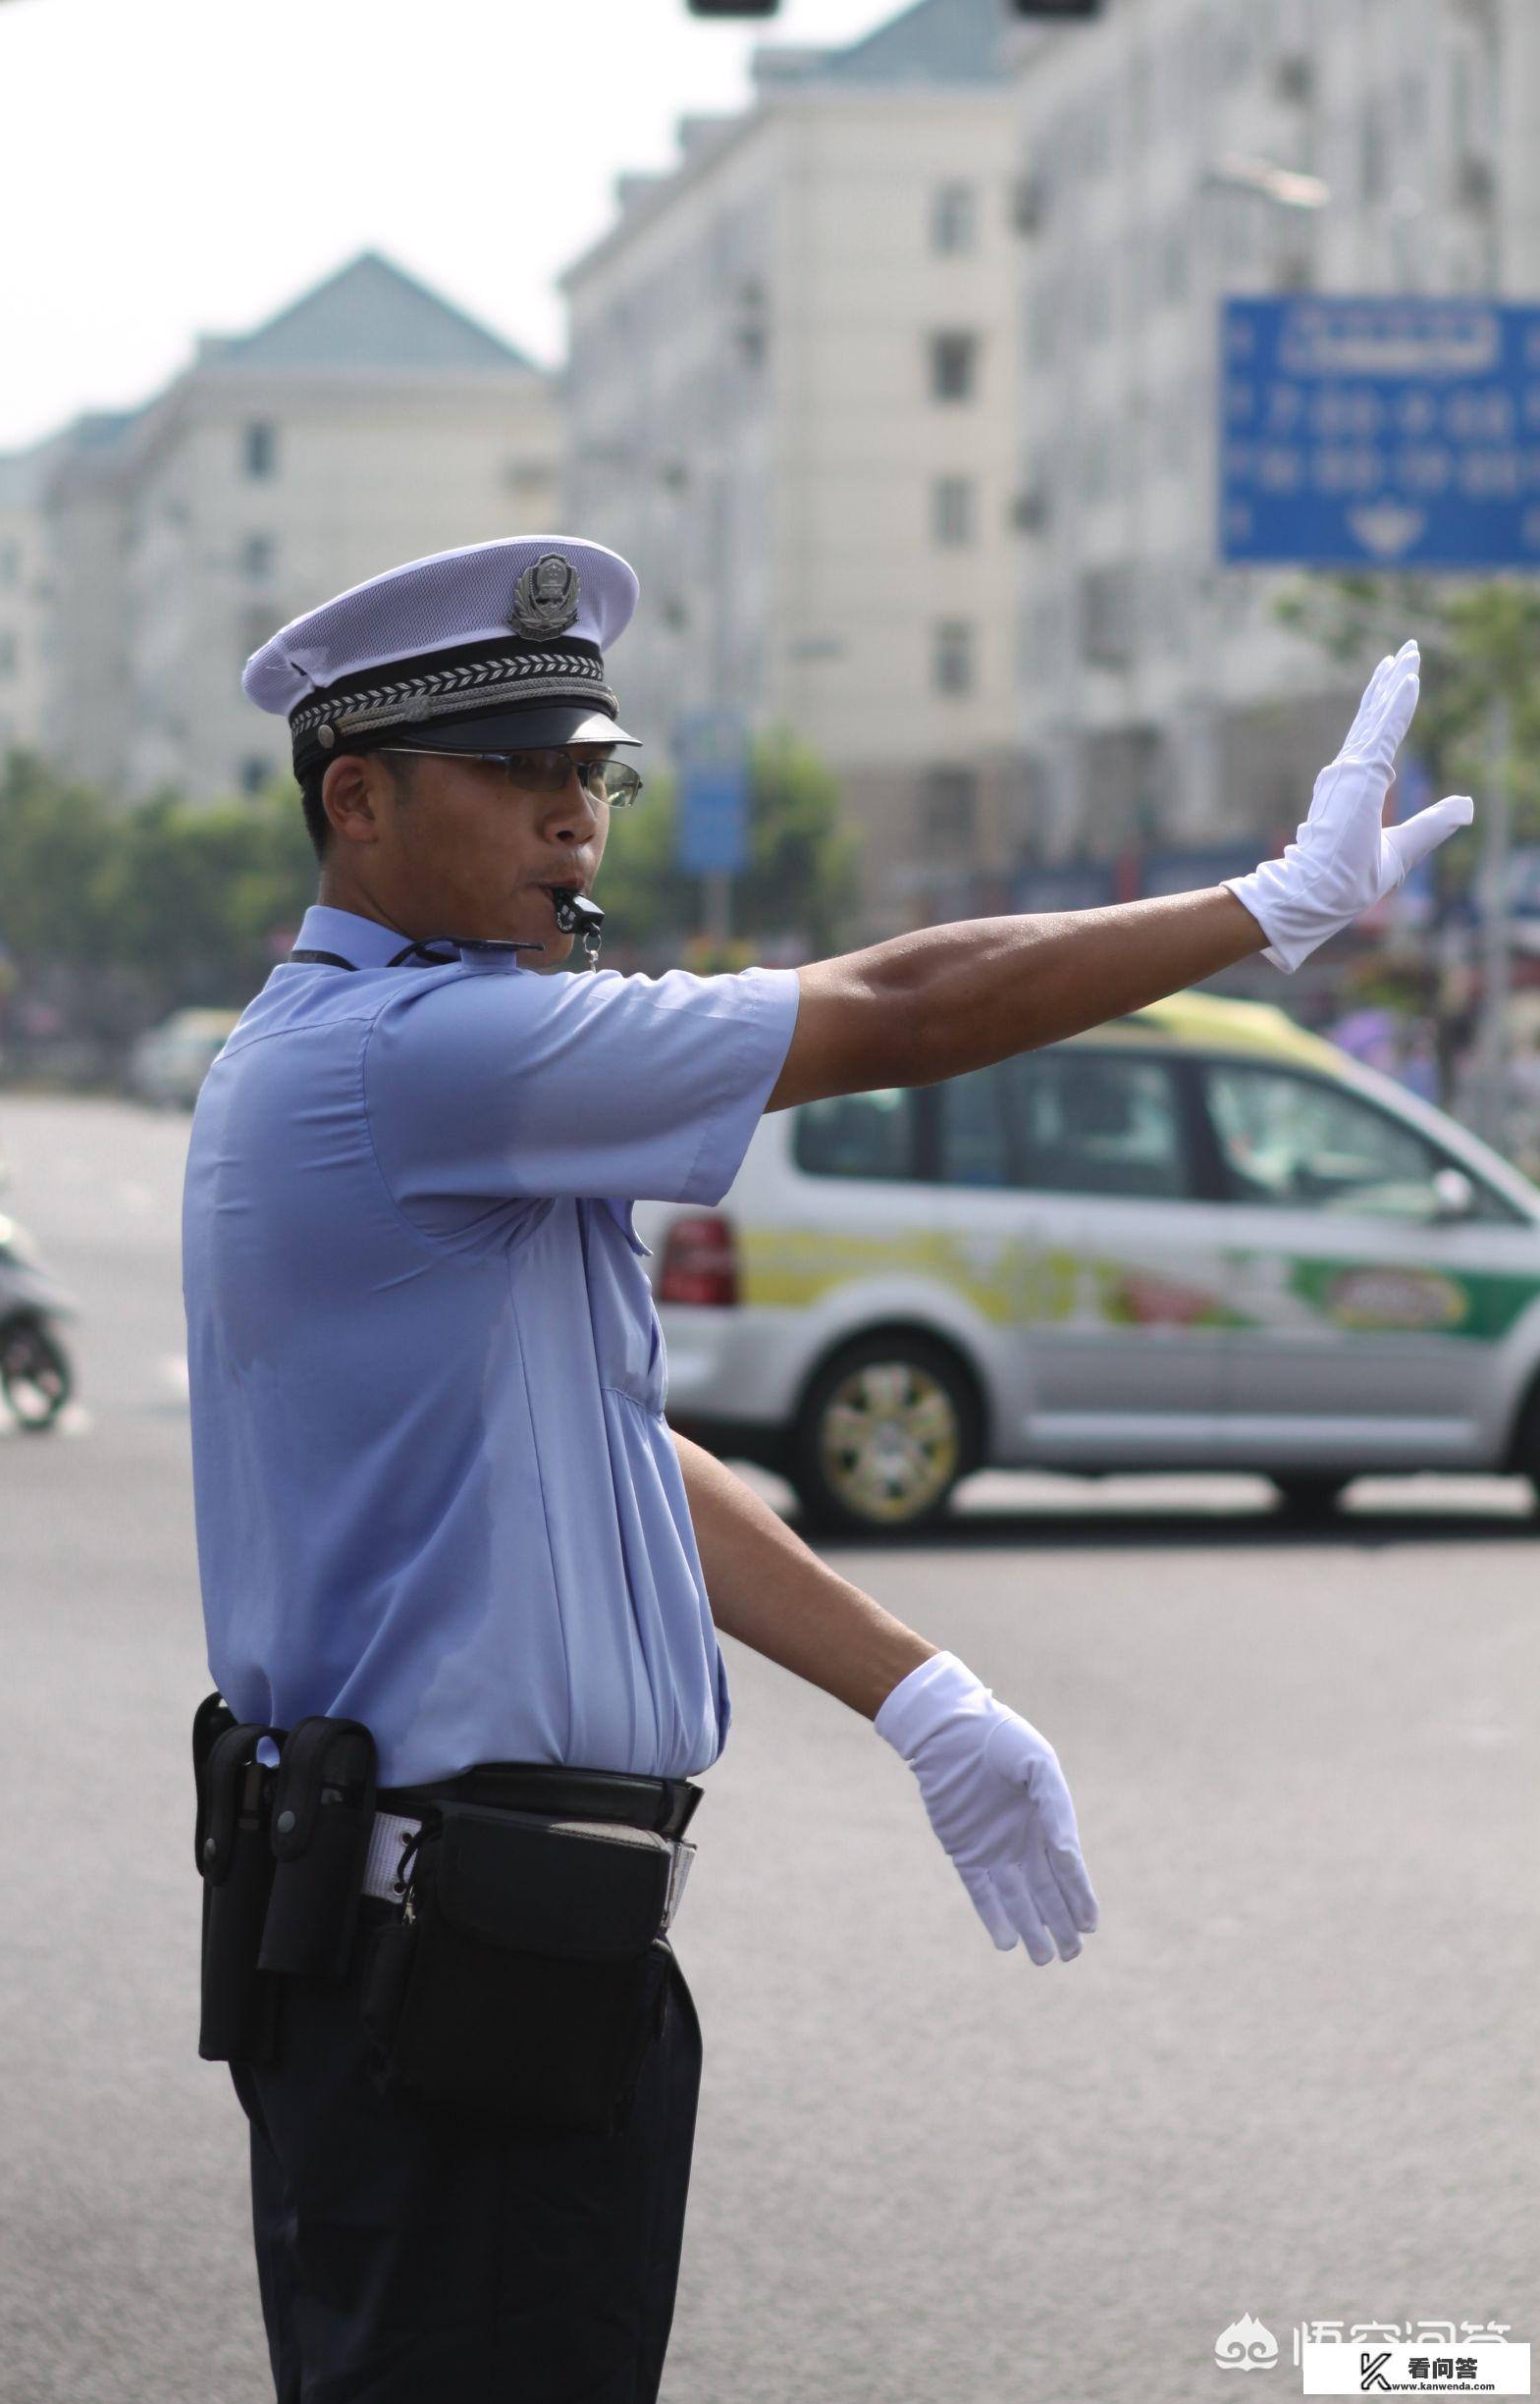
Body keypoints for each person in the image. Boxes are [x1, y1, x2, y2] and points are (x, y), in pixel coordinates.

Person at [182, 536, 1471, 2403]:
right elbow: (911, 1007)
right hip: (436, 1966)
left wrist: (922, 1693)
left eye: (594, 775)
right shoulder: (412, 1057)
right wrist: (1256, 912)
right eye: (521, 774)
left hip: (494, 1955)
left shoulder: (402, 1063)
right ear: (357, 802)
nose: (577, 820)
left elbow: (611, 1450)